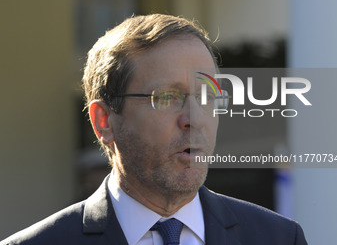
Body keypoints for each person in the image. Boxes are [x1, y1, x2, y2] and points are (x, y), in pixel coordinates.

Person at [0, 14, 307, 245]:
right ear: (103, 121)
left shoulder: (278, 237)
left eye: (206, 96)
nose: (194, 118)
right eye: (167, 97)